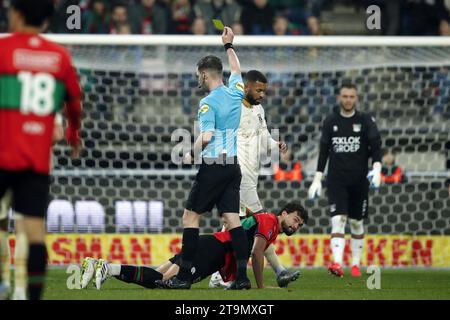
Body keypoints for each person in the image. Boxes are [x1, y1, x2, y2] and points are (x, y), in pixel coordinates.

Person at [156, 27, 250, 290]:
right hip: (232, 166)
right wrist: (229, 46)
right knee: (233, 220)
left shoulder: (207, 103)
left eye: (199, 75)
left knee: (190, 217)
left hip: (213, 166)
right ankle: (242, 278)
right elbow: (238, 71)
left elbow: (207, 136)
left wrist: (190, 154)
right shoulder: (235, 92)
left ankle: (183, 277)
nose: (198, 79)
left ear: (205, 74)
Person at [0, 0, 83, 300]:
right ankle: (31, 295)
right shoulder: (58, 56)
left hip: (3, 153)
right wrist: (74, 136)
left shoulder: (4, 50)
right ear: (46, 22)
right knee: (35, 233)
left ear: (17, 14)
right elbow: (75, 101)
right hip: (35, 161)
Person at [80, 202, 308, 290]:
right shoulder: (270, 223)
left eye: (300, 225)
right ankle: (106, 268)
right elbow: (257, 254)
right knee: (168, 284)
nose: (296, 226)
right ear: (284, 214)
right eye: (296, 220)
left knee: (158, 277)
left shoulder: (266, 221)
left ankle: (106, 268)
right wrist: (260, 286)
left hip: (209, 245)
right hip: (211, 251)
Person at [208, 70, 297, 289]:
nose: (262, 95)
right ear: (246, 87)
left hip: (250, 176)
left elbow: (264, 135)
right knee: (260, 221)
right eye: (258, 90)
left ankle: (217, 275)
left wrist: (275, 145)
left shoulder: (259, 109)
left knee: (232, 225)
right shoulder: (233, 109)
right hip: (238, 176)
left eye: (264, 91)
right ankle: (279, 270)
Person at [308, 83, 382, 278]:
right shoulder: (330, 121)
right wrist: (317, 178)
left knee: (356, 223)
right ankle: (337, 263)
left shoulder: (365, 120)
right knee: (338, 219)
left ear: (356, 98)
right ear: (339, 98)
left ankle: (356, 264)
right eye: (345, 96)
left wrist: (377, 168)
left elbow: (376, 146)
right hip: (336, 180)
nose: (348, 99)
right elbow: (324, 151)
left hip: (359, 180)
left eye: (351, 96)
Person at [0, 115, 64, 300]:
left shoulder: (6, 88)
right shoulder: (47, 88)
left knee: (1, 227)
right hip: (32, 167)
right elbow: (57, 133)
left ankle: (3, 284)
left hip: (4, 160)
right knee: (25, 229)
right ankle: (20, 289)